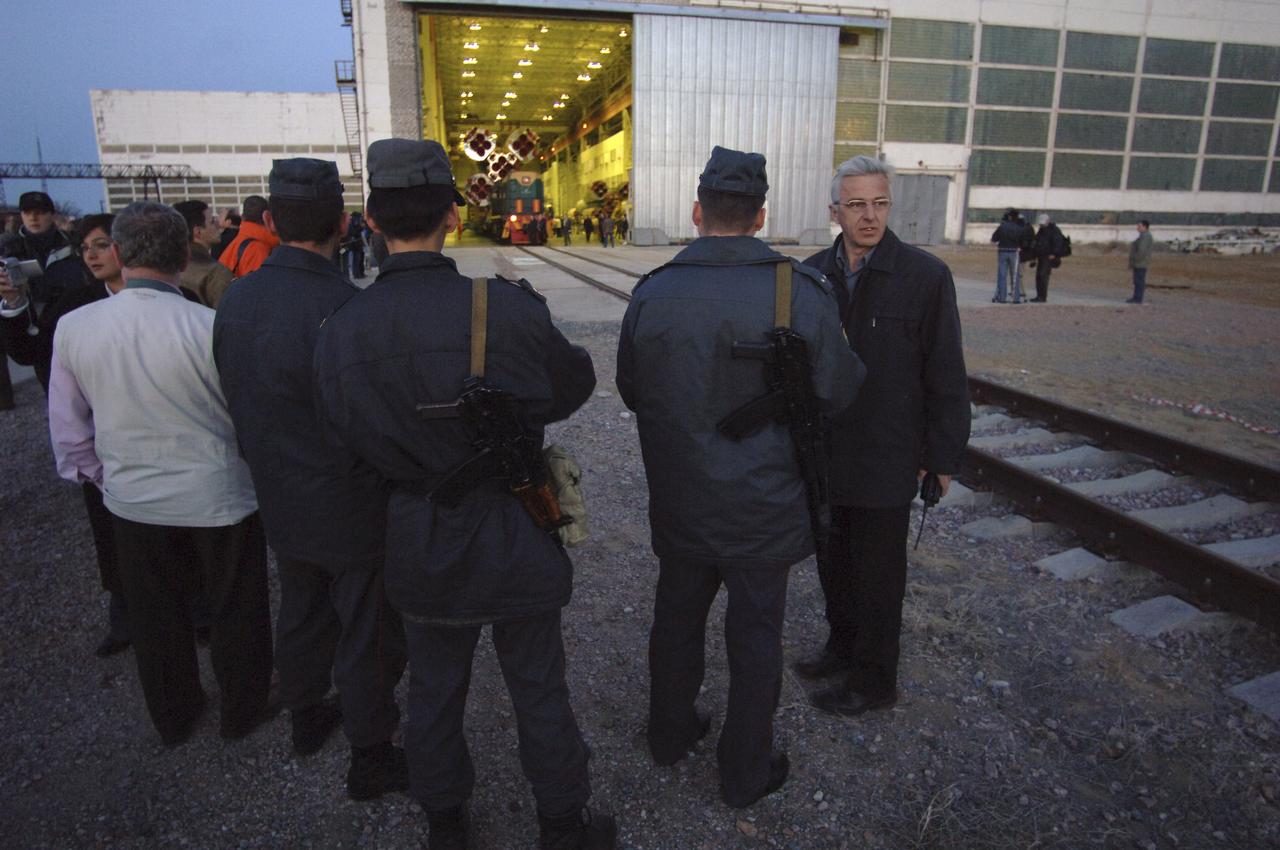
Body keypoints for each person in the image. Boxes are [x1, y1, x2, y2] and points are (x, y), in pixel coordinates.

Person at [313, 138, 615, 850]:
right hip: (515, 525)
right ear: (453, 213)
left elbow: (340, 439)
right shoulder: (504, 309)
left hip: (420, 536)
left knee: (434, 693)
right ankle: (563, 825)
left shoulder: (342, 330)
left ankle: (445, 823)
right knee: (539, 686)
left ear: (373, 220)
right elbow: (573, 386)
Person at [616, 146, 864, 808]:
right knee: (755, 635)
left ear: (698, 212)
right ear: (760, 216)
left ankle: (668, 735)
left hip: (683, 502)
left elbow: (633, 389)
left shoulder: (654, 292)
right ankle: (744, 770)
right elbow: (840, 393)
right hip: (765, 506)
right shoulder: (803, 293)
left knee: (676, 619)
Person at [213, 158, 409, 799]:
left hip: (277, 491)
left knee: (299, 606)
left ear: (269, 222)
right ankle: (371, 753)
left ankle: (305, 715)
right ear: (345, 223)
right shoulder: (348, 307)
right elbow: (372, 420)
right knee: (365, 627)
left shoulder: (234, 299)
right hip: (349, 502)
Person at [48, 201, 275, 746]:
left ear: (119, 255)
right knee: (235, 608)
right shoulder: (213, 325)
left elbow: (70, 431)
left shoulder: (75, 328)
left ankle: (174, 715)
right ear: (184, 254)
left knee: (156, 617)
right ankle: (242, 708)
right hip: (218, 495)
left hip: (132, 499)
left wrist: (105, 477)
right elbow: (252, 416)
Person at [797, 155, 970, 717]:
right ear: (834, 211)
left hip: (887, 453)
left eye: (879, 204)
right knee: (833, 560)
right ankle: (840, 648)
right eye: (856, 205)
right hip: (825, 453)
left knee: (878, 575)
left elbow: (945, 372)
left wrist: (941, 457)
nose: (869, 216)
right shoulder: (811, 275)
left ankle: (874, 679)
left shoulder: (924, 277)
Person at [1, 215, 132, 656]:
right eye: (86, 249)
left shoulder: (169, 295)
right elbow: (30, 351)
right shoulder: (75, 305)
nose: (92, 255)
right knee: (110, 529)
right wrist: (15, 306)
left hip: (159, 433)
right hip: (103, 437)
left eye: (101, 245)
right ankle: (125, 616)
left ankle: (194, 611)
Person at [0, 191, 89, 388]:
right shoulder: (9, 249)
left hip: (73, 319)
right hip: (33, 323)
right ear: (21, 215)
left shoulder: (73, 243)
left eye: (40, 212)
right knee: (51, 384)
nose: (33, 217)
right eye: (28, 212)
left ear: (52, 215)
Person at [174, 200, 234, 308]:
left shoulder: (168, 267)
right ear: (198, 232)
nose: (218, 224)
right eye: (212, 221)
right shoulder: (217, 273)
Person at [218, 195, 279, 277]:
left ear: (243, 217)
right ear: (268, 217)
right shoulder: (258, 249)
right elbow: (260, 286)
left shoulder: (240, 241)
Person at [990, 208, 1029, 304]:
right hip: (1014, 252)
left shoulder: (1002, 226)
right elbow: (1024, 241)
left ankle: (1001, 297)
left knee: (1002, 274)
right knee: (1015, 275)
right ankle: (1016, 297)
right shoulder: (1019, 228)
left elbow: (994, 238)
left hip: (1003, 251)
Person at [1030, 213, 1066, 303]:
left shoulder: (1055, 230)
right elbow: (1037, 241)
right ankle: (1039, 295)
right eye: (1040, 224)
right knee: (1039, 276)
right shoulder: (1041, 230)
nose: (1041, 225)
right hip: (1041, 256)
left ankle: (1042, 297)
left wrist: (1054, 253)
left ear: (1048, 221)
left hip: (1048, 257)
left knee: (1043, 276)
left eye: (1043, 223)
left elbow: (1058, 243)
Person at [1127, 220, 1152, 304]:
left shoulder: (1146, 236)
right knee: (1137, 281)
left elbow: (1141, 251)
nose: (1137, 228)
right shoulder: (1143, 236)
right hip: (1140, 262)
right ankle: (1136, 297)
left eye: (1139, 226)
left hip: (1141, 262)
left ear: (1145, 227)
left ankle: (1138, 298)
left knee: (1139, 281)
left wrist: (1135, 259)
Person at [343, 212, 368, 279]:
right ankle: (356, 274)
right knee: (355, 259)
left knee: (355, 259)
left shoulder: (352, 223)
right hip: (352, 244)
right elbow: (354, 232)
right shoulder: (355, 222)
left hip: (350, 245)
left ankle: (356, 274)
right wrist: (361, 227)